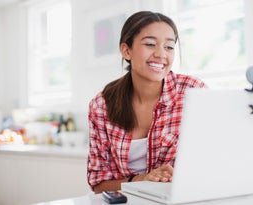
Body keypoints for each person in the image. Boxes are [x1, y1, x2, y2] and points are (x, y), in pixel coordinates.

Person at [87, 11, 206, 193]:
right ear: (126, 50)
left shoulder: (193, 92)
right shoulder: (102, 105)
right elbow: (99, 184)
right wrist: (141, 180)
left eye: (169, 47)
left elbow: (210, 162)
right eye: (150, 44)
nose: (161, 54)